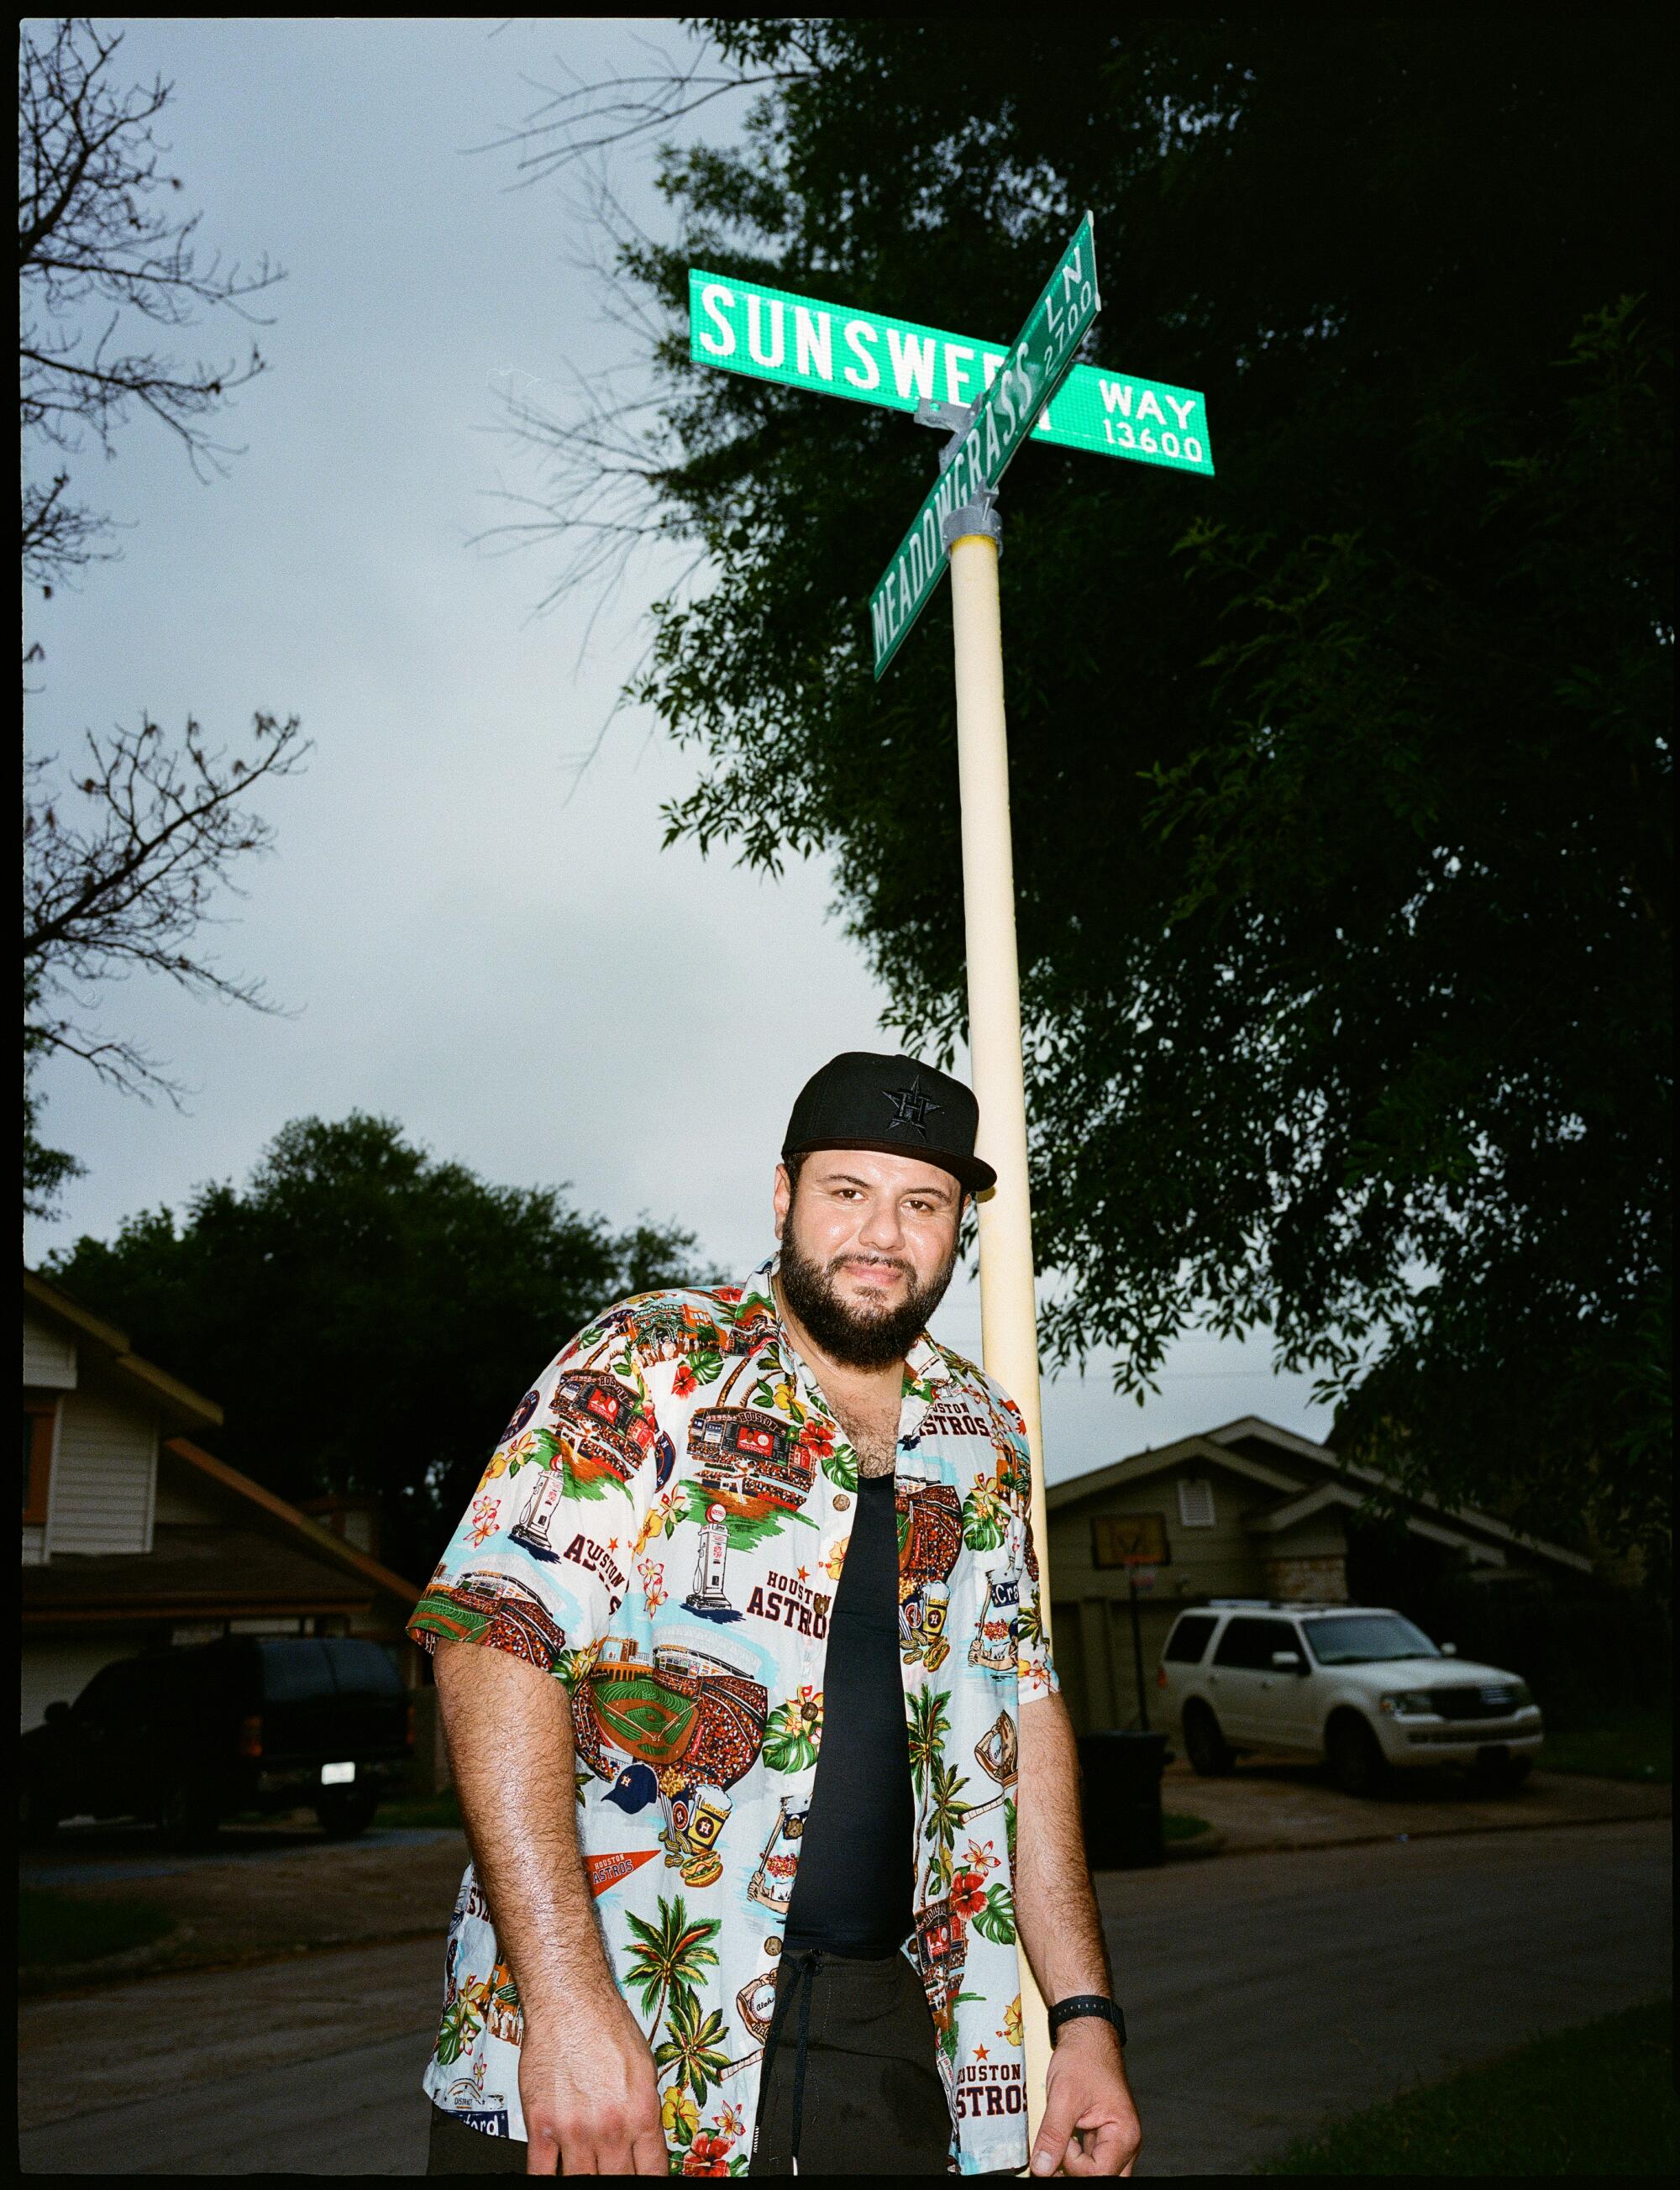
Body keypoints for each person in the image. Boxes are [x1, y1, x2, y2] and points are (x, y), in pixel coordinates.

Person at [411, 1051, 1142, 2177]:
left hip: (883, 2040)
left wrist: (1084, 2016)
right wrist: (566, 2003)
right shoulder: (651, 1359)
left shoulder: (984, 1436)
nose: (883, 1235)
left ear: (960, 1225)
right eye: (848, 1191)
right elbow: (496, 1642)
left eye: (922, 1203)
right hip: (618, 2034)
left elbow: (1024, 1724)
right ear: (783, 1194)